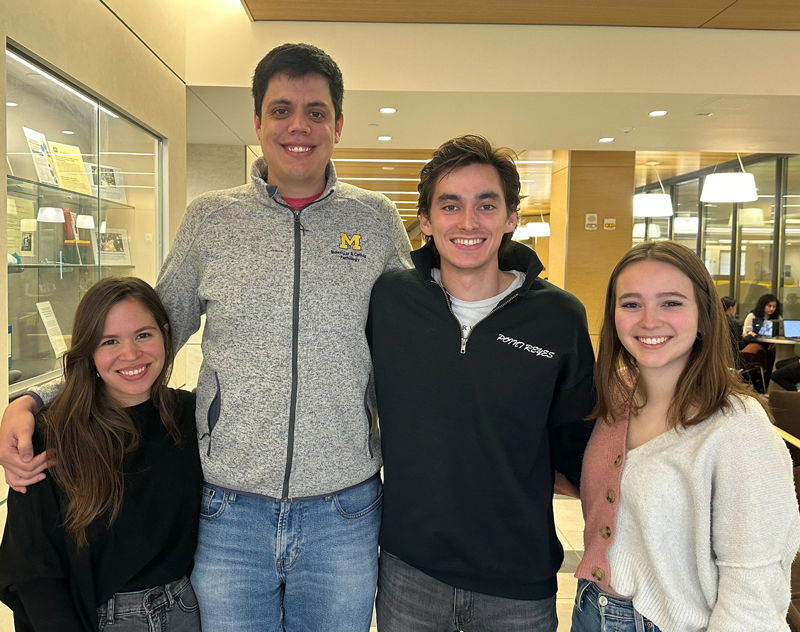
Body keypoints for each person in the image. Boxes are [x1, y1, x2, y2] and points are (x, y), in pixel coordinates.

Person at [0, 43, 412, 632]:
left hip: (342, 511)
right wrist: (35, 398)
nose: (299, 126)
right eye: (281, 110)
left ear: (339, 124)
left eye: (316, 111)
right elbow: (138, 336)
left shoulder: (374, 219)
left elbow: (421, 333)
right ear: (258, 122)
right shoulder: (211, 219)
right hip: (230, 510)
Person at [368, 135, 595, 631]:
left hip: (518, 581)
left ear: (511, 218)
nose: (468, 223)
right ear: (425, 222)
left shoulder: (558, 316)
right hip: (411, 574)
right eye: (450, 206)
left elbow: (578, 442)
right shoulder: (388, 302)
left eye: (486, 205)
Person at [573, 241, 799, 632]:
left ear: (705, 317)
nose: (648, 320)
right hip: (590, 608)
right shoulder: (617, 397)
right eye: (631, 304)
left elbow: (755, 587)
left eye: (671, 303)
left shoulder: (737, 426)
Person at [0, 277, 202, 632]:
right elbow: (32, 569)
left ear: (166, 335)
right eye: (110, 342)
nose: (131, 354)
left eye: (144, 334)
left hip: (185, 612)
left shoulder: (191, 418)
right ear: (89, 353)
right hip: (97, 620)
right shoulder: (51, 435)